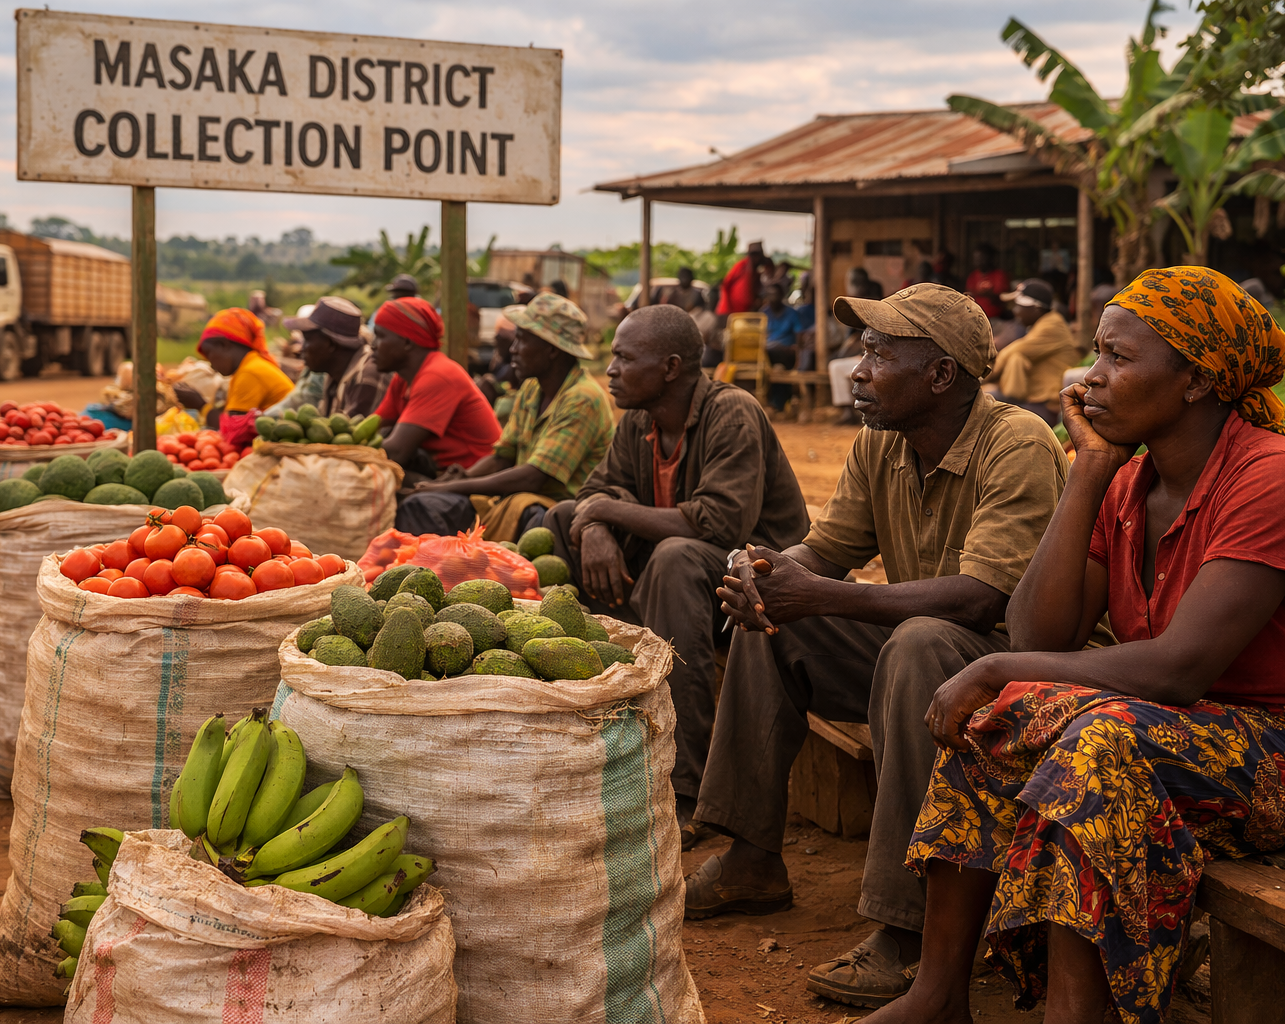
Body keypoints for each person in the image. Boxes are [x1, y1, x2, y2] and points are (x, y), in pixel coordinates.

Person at [885, 267, 1285, 1024]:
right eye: (1096, 353)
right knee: (1001, 724)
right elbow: (1041, 634)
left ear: (1198, 381)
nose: (1090, 378)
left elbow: (1177, 669)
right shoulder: (1129, 483)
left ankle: (1078, 1015)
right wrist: (1091, 469)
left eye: (1118, 357)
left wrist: (992, 665)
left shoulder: (1275, 477)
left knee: (1101, 741)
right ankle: (937, 994)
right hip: (1192, 735)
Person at [687, 282, 1080, 1009]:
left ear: (939, 376)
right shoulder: (882, 443)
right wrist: (768, 573)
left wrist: (825, 594)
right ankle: (750, 858)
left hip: (1029, 680)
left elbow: (980, 598)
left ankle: (906, 932)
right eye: (861, 349)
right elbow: (824, 552)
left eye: (877, 352)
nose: (858, 368)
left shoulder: (1015, 441)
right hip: (923, 659)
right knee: (776, 618)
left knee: (919, 641)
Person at [545, 304, 810, 849]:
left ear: (669, 367)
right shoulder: (637, 422)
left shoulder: (732, 411)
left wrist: (604, 513)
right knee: (557, 521)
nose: (610, 369)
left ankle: (685, 785)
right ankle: (604, 731)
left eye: (622, 357)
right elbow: (593, 493)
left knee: (674, 555)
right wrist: (592, 523)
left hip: (752, 586)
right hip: (682, 581)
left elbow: (720, 522)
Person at [395, 293, 614, 540]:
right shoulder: (532, 389)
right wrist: (463, 476)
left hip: (560, 510)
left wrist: (452, 486)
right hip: (520, 499)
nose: (513, 350)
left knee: (537, 521)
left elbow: (533, 477)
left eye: (522, 340)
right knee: (424, 505)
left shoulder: (582, 398)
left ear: (551, 350)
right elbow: (503, 456)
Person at [372, 296, 502, 482]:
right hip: (440, 474)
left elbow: (396, 452)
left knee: (381, 473)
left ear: (407, 343)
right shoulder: (402, 379)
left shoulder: (438, 376)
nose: (373, 345)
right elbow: (371, 426)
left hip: (470, 479)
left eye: (380, 336)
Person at [266, 297, 386, 419]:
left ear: (330, 344)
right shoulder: (334, 375)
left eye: (307, 340)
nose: (302, 349)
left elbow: (349, 434)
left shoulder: (365, 377)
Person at [986, 278, 1081, 424]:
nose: (1015, 312)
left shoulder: (1051, 326)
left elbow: (1010, 352)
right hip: (1035, 397)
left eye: (1019, 307)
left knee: (987, 403)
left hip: (1048, 403)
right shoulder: (1040, 324)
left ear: (1036, 309)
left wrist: (982, 376)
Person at [197, 307, 293, 448]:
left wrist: (199, 405)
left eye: (209, 353)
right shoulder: (251, 365)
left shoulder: (250, 373)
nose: (210, 363)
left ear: (224, 345)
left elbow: (232, 431)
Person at [762, 282, 801, 411]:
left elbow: (799, 336)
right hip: (765, 354)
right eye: (770, 294)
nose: (773, 298)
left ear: (782, 295)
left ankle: (778, 403)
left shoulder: (791, 313)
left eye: (776, 294)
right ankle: (776, 402)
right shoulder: (763, 314)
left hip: (786, 353)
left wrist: (797, 350)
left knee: (778, 363)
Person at [716, 241, 768, 318]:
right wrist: (726, 307)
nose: (757, 259)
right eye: (754, 255)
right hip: (730, 312)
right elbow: (726, 284)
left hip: (746, 313)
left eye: (758, 256)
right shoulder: (741, 266)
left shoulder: (757, 273)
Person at [965, 243, 1010, 323]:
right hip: (974, 319)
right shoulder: (972, 276)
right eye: (976, 258)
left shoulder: (999, 275)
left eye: (981, 258)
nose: (978, 261)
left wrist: (986, 294)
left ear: (990, 258)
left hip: (996, 320)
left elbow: (1002, 298)